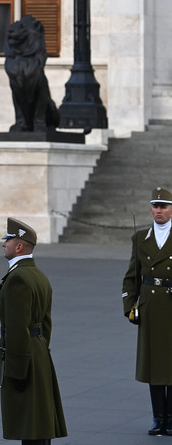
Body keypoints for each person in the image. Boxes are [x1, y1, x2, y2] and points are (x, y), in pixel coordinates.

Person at [0, 217, 67, 445]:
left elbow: (16, 329)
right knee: (39, 423)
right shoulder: (39, 275)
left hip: (23, 356)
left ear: (19, 246)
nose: (3, 244)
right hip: (38, 352)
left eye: (7, 240)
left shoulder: (18, 278)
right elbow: (46, 323)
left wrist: (16, 371)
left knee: (29, 424)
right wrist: (40, 349)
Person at [122, 185, 172, 435]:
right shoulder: (140, 238)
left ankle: (171, 419)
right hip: (150, 307)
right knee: (153, 364)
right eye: (155, 206)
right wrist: (129, 305)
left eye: (163, 206)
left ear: (171, 209)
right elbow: (132, 276)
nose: (159, 210)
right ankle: (158, 417)